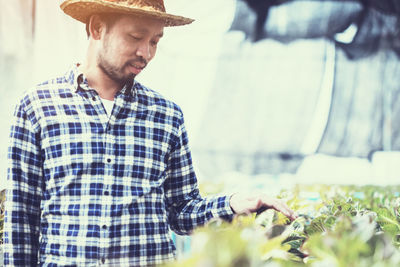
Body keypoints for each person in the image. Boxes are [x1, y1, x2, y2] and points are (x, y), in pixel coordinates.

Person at [3, 0, 297, 266]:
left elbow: (181, 210)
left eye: (155, 41)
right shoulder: (37, 106)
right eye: (135, 37)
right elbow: (21, 218)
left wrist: (234, 204)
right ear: (97, 27)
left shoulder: (166, 115)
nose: (146, 53)